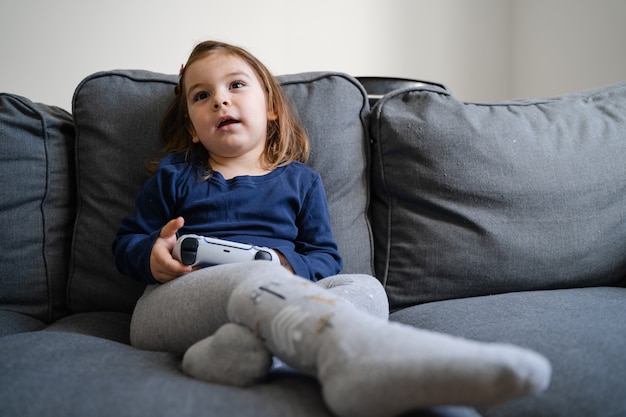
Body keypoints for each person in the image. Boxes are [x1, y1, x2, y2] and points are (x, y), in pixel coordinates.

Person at [113, 40, 551, 417]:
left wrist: (285, 265)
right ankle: (356, 358)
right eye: (201, 96)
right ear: (191, 128)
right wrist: (151, 256)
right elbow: (126, 242)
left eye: (236, 85)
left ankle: (239, 355)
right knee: (253, 274)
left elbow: (325, 258)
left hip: (273, 294)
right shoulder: (175, 174)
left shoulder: (300, 181)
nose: (220, 101)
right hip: (175, 304)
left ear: (269, 108)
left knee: (364, 287)